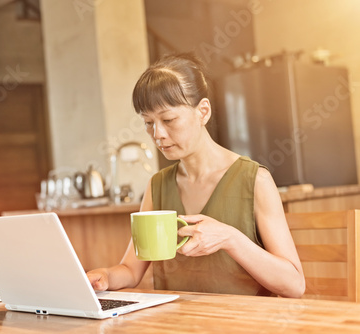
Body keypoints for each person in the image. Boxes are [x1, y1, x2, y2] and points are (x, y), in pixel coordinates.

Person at [86, 53, 305, 298]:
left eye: (168, 119)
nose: (157, 133)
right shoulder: (157, 186)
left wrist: (231, 238)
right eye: (148, 122)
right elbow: (130, 270)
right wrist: (105, 276)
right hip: (176, 323)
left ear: (202, 111)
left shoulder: (255, 180)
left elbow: (294, 285)